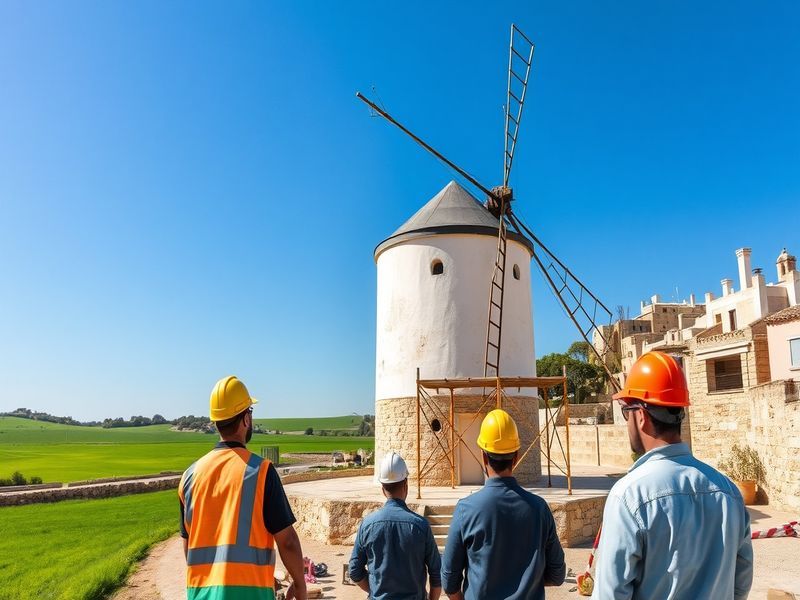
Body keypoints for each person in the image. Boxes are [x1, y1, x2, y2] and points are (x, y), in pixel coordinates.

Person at [592, 351, 753, 599]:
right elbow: (740, 584)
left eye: (626, 412)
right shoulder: (729, 491)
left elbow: (610, 594)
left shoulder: (629, 496)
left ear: (641, 416)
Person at [179, 375, 307, 600]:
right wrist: (300, 585)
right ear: (246, 419)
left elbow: (188, 547)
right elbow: (287, 541)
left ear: (215, 422)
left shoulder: (189, 476)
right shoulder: (261, 472)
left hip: (200, 595)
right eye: (250, 412)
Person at [441, 409, 566, 599]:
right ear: (516, 457)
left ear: (483, 457)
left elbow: (450, 582)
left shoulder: (466, 510)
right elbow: (557, 575)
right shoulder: (539, 509)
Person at [349, 451, 442, 600]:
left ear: (382, 488)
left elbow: (354, 571)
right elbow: (437, 574)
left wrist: (374, 592)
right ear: (405, 484)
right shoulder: (420, 526)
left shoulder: (367, 524)